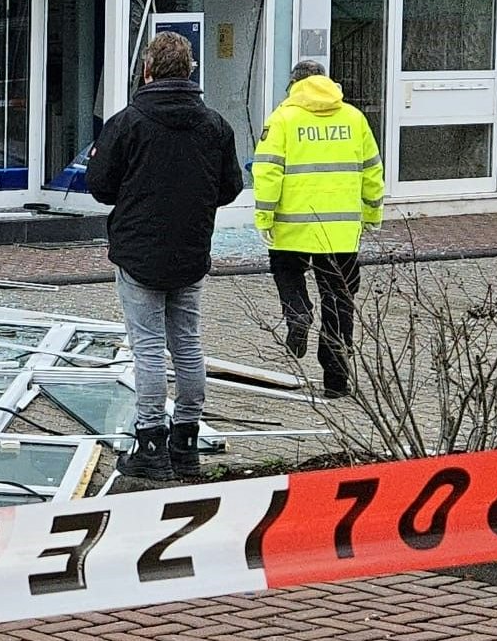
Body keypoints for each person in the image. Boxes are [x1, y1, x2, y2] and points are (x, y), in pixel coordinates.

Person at [87, 32, 245, 482]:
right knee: (188, 344)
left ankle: (151, 444)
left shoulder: (128, 122)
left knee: (150, 348)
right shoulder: (214, 125)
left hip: (139, 251)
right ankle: (187, 441)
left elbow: (99, 186)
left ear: (147, 70)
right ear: (191, 71)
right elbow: (230, 186)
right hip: (191, 247)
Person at [253, 59, 384, 399]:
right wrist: (372, 213)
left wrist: (264, 217)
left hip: (292, 226)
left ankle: (297, 313)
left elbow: (267, 172)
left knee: (287, 270)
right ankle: (336, 381)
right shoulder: (354, 119)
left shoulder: (283, 118)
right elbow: (372, 170)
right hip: (341, 230)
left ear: (294, 84)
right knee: (339, 301)